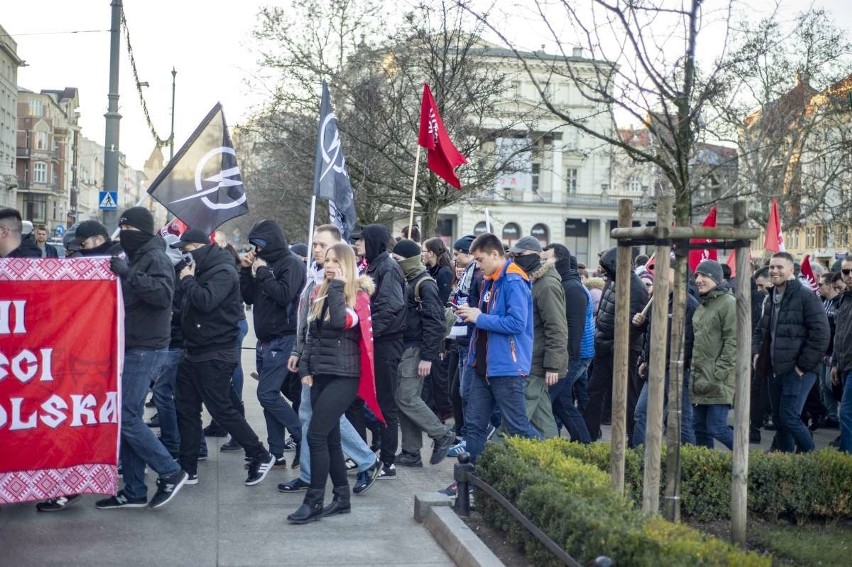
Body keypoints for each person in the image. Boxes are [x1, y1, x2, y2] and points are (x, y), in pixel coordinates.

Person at [96, 207, 188, 509]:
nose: (124, 234)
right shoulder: (134, 256)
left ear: (143, 231)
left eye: (129, 229)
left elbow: (163, 296)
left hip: (147, 347)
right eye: (121, 228)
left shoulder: (155, 258)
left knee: (127, 416)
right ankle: (134, 490)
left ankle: (170, 471)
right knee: (127, 417)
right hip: (132, 344)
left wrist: (128, 275)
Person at [281, 224, 381, 496]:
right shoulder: (316, 280)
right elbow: (309, 327)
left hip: (339, 370)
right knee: (317, 423)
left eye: (324, 247)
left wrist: (335, 284)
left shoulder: (352, 291)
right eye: (315, 246)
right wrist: (300, 356)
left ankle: (360, 463)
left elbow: (339, 322)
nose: (319, 252)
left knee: (319, 425)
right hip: (316, 367)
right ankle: (330, 485)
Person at [172, 228, 277, 485]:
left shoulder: (222, 270)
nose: (184, 257)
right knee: (185, 408)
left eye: (185, 251)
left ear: (196, 247)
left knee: (221, 409)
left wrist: (186, 280)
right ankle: (188, 467)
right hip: (194, 349)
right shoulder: (202, 268)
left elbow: (205, 301)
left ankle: (260, 454)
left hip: (216, 351)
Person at [455, 233, 542, 465]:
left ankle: (550, 463)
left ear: (495, 254)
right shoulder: (490, 279)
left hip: (506, 367)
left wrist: (479, 317)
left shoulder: (513, 280)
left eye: (480, 259)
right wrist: (471, 315)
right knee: (473, 425)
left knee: (518, 428)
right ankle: (469, 479)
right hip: (483, 365)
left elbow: (516, 323)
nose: (477, 265)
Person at [240, 220, 306, 467]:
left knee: (266, 394)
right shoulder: (261, 264)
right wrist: (246, 271)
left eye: (260, 245)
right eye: (254, 246)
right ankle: (276, 452)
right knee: (271, 397)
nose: (256, 250)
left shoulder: (291, 263)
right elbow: (247, 297)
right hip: (264, 339)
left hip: (284, 338)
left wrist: (263, 272)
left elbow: (283, 294)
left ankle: (301, 437)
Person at [753, 252, 830, 453]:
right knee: (779, 421)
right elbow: (760, 331)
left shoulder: (806, 297)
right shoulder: (771, 298)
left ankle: (811, 459)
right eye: (771, 267)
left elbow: (821, 334)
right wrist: (756, 354)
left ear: (791, 270)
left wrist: (801, 366)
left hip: (798, 370)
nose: (774, 271)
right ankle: (786, 465)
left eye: (779, 267)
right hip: (774, 369)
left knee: (789, 417)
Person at [390, 239, 456, 468]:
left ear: (408, 260)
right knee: (402, 400)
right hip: (407, 348)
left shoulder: (424, 284)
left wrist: (427, 356)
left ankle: (441, 434)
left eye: (397, 260)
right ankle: (411, 451)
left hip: (416, 349)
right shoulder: (410, 280)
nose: (394, 263)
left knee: (406, 398)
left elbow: (436, 322)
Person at [352, 224, 406, 478]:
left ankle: (387, 461)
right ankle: (363, 453)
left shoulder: (388, 267)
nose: (357, 244)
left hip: (385, 343)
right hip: (375, 341)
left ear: (373, 241)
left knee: (385, 403)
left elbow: (390, 306)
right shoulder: (373, 265)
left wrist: (371, 333)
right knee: (365, 400)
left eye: (361, 240)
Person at [583, 247, 649, 440]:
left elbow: (634, 325)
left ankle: (633, 439)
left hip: (624, 350)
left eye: (605, 266)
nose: (602, 271)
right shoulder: (612, 282)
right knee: (594, 391)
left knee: (628, 397)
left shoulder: (635, 287)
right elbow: (604, 311)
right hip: (604, 347)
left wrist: (616, 347)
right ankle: (589, 434)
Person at [631, 258, 698, 447]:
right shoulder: (657, 301)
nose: (657, 276)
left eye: (663, 271)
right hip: (655, 369)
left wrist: (674, 364)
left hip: (677, 371)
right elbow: (651, 335)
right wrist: (645, 358)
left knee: (681, 422)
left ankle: (690, 462)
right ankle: (639, 457)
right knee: (642, 413)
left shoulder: (688, 304)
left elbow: (690, 341)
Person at [507, 236, 566, 439]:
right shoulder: (533, 280)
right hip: (531, 358)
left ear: (534, 255)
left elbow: (556, 327)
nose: (514, 259)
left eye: (519, 255)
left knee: (516, 416)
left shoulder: (547, 285)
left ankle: (493, 456)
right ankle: (554, 458)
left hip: (535, 361)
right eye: (513, 255)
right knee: (542, 419)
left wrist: (552, 366)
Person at [690, 260, 736, 450]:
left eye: (704, 276)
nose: (699, 280)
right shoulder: (704, 305)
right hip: (700, 378)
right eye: (697, 276)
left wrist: (719, 373)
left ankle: (748, 463)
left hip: (717, 379)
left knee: (717, 428)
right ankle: (706, 467)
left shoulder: (729, 303)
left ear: (716, 278)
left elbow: (733, 342)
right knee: (699, 428)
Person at [445, 235, 483, 457]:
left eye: (458, 253)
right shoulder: (468, 274)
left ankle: (471, 437)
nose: (455, 258)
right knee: (459, 391)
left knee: (466, 392)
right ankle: (465, 435)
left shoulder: (477, 275)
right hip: (461, 338)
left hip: (469, 339)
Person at [421, 236, 455, 420]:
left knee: (438, 371)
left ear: (432, 253)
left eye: (424, 251)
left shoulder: (444, 273)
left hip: (439, 326)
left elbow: (440, 303)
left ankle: (445, 408)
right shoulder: (429, 271)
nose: (422, 255)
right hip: (430, 323)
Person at [831, 255, 852, 453]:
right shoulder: (844, 298)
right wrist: (835, 362)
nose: (849, 275)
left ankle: (846, 460)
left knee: (846, 412)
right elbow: (840, 333)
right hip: (844, 364)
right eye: (846, 271)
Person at [818, 272, 842, 429]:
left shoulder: (839, 303)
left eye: (821, 284)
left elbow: (838, 331)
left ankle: (840, 416)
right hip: (823, 353)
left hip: (834, 353)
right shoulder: (823, 302)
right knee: (824, 386)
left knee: (832, 385)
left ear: (829, 285)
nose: (818, 287)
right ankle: (832, 417)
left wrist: (834, 355)